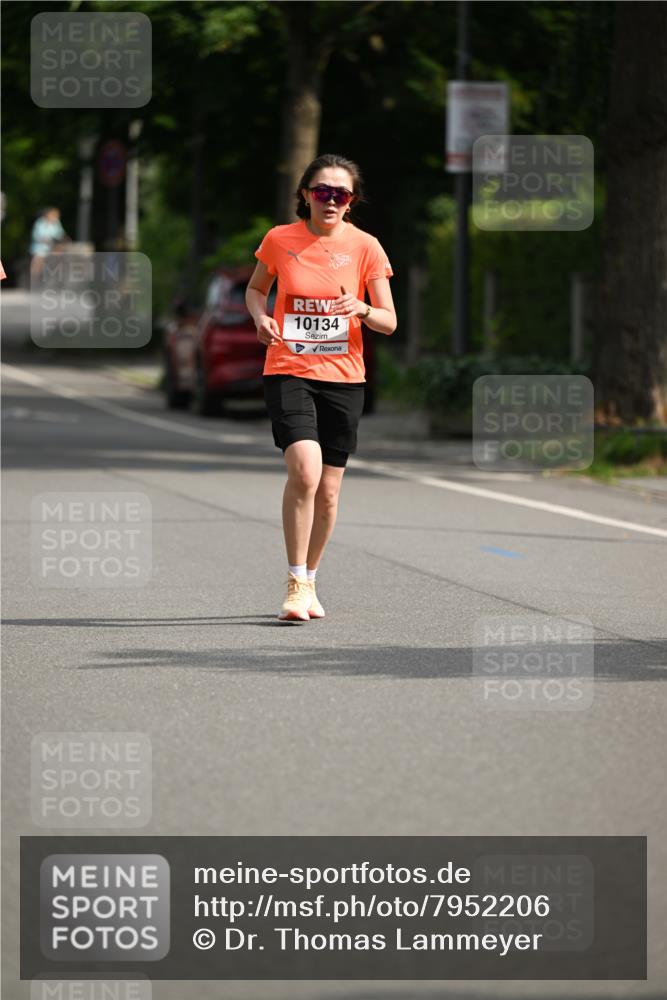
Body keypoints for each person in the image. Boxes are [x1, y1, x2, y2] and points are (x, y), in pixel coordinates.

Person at [246, 153, 396, 622]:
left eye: (341, 194)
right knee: (305, 471)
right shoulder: (279, 239)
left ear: (352, 201)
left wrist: (362, 309)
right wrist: (260, 318)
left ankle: (310, 578)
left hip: (344, 378)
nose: (331, 200)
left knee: (328, 491)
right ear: (305, 195)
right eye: (322, 191)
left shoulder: (367, 247)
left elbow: (389, 321)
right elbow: (255, 289)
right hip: (289, 368)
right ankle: (295, 584)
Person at [29, 207, 69, 281]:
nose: (56, 217)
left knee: (60, 256)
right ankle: (35, 280)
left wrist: (65, 241)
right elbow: (36, 236)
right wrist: (47, 241)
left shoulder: (56, 223)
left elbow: (60, 234)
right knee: (37, 262)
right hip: (40, 248)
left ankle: (56, 277)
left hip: (51, 248)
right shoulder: (40, 223)